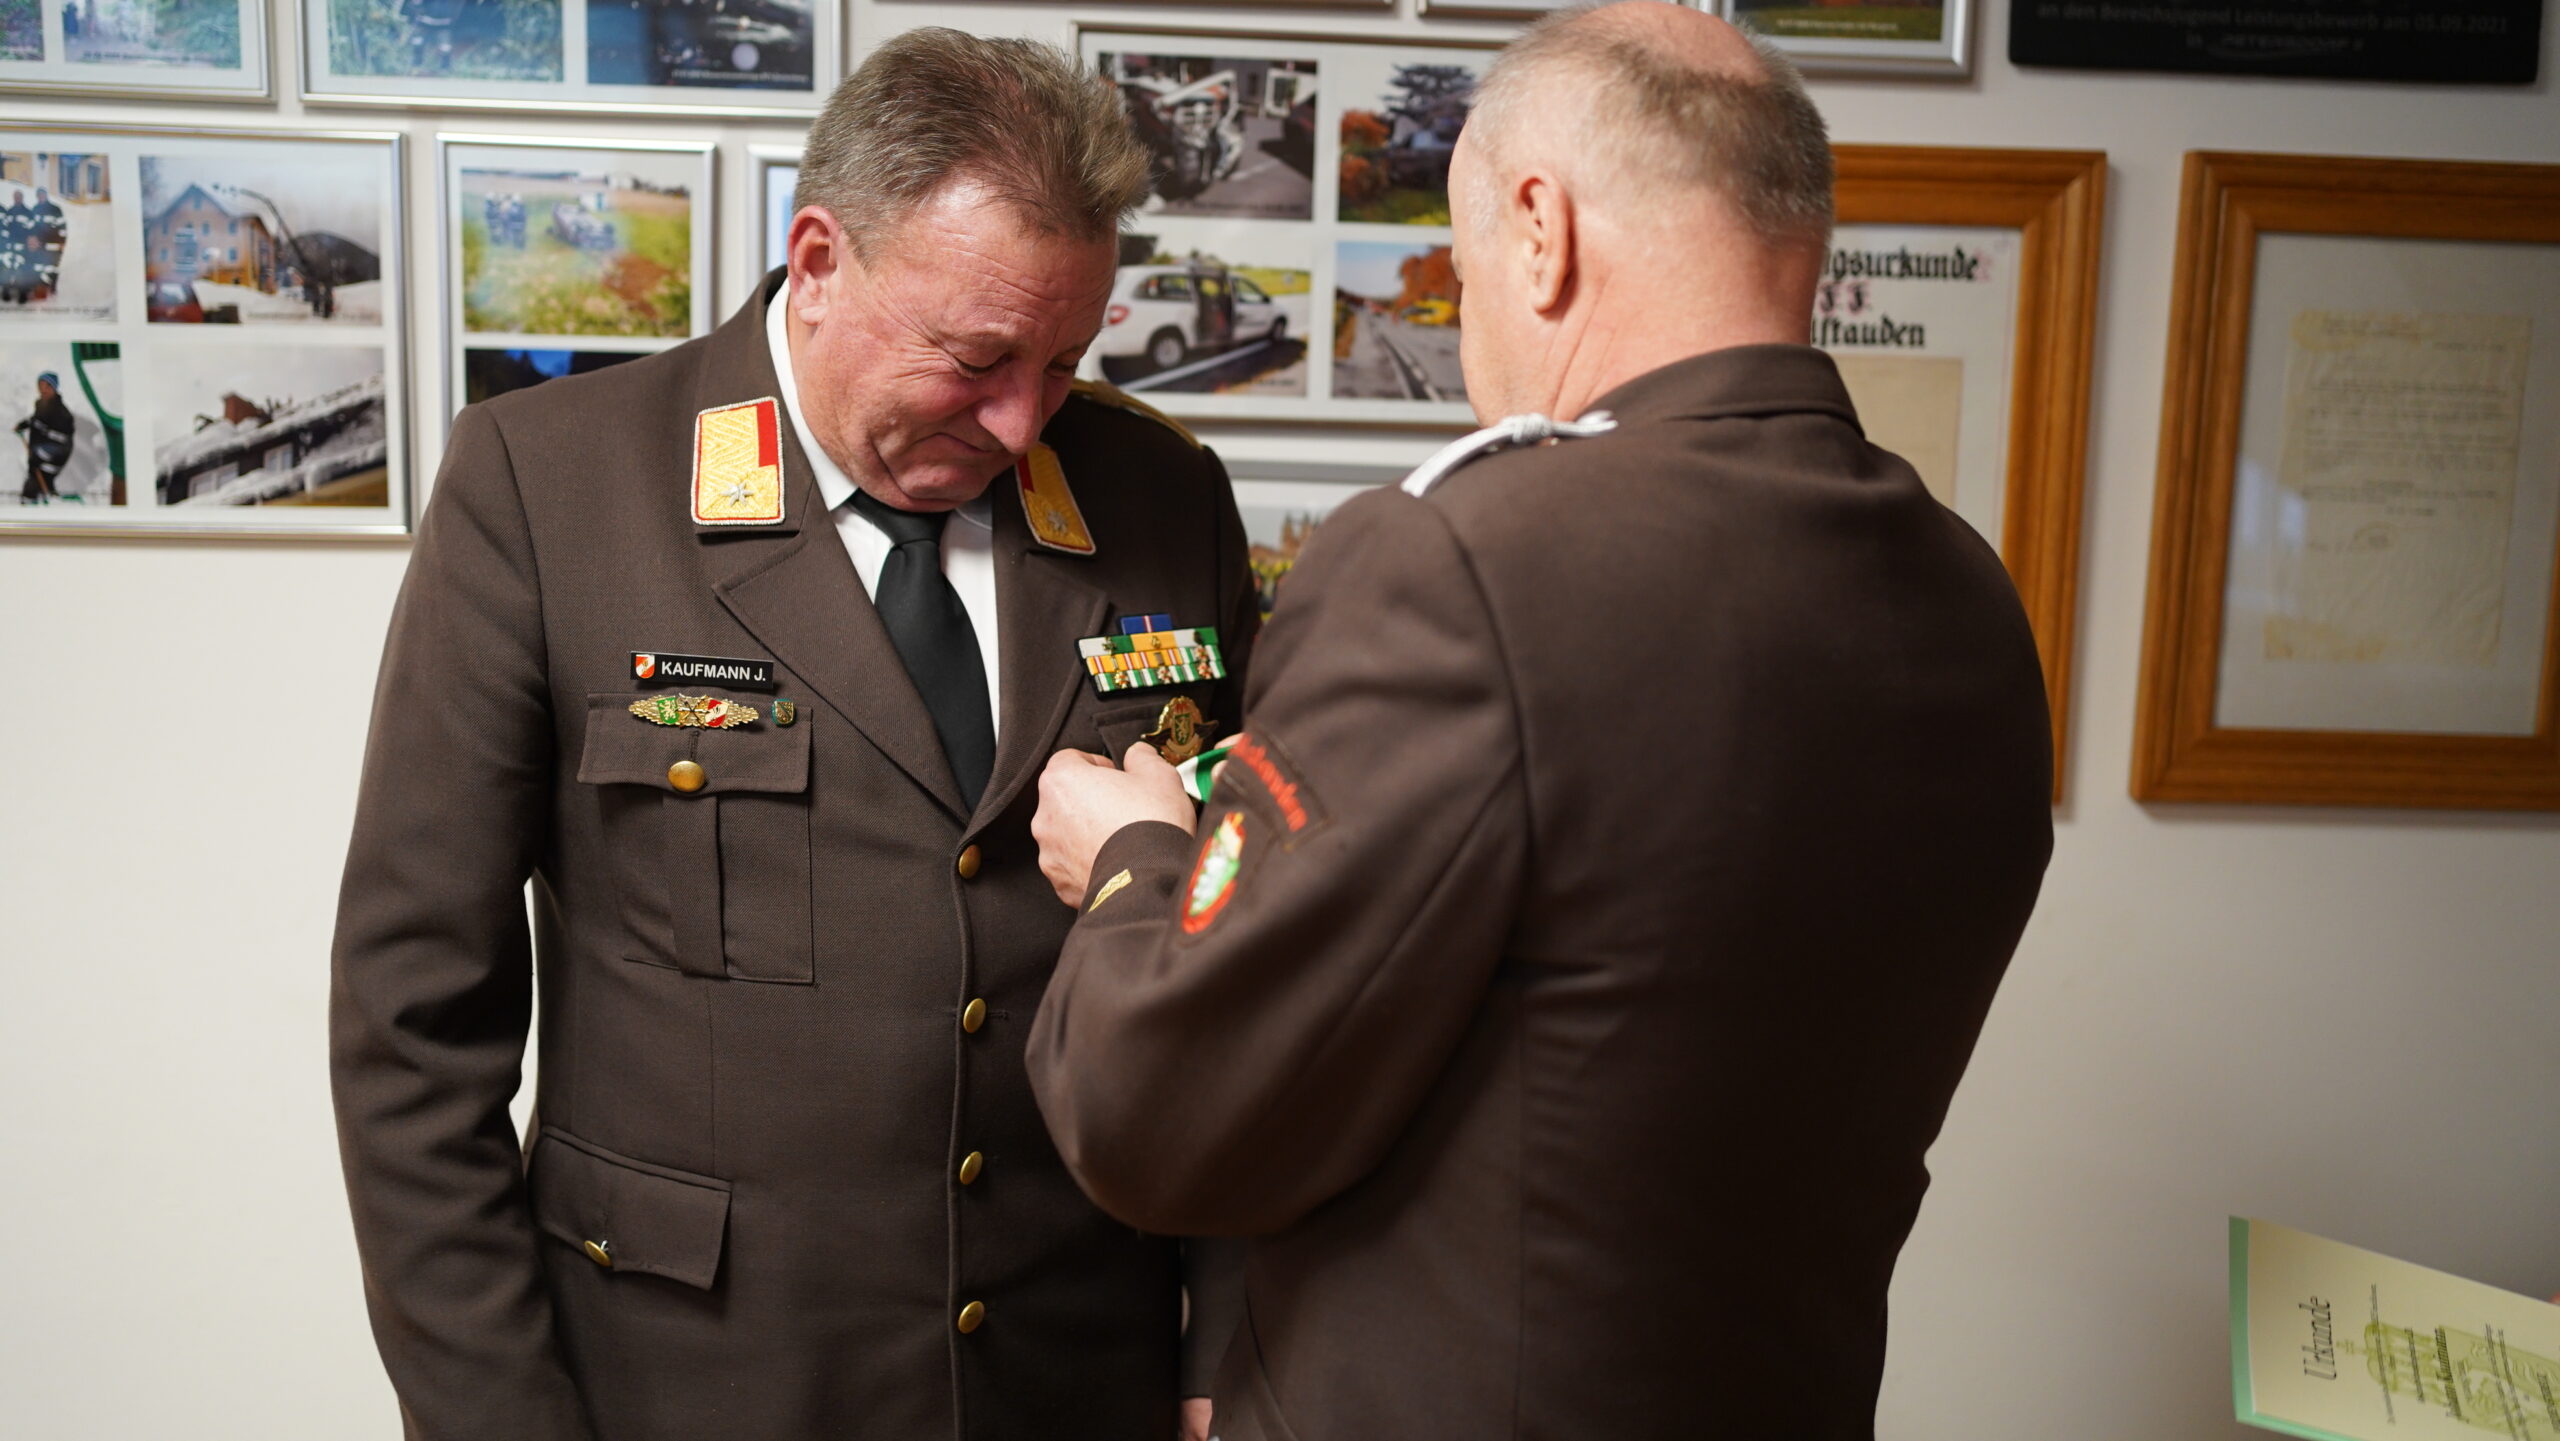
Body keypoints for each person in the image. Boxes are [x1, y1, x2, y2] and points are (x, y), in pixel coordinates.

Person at [1024, 5, 2055, 1439]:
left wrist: (1135, 861)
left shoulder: (1464, 562)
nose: (1465, 330)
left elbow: (1156, 1117)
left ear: (1539, 230)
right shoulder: (1968, 595)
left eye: (1460, 274)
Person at [332, 27, 1259, 1441]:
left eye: (1065, 360)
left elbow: (1247, 952)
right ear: (819, 261)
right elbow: (413, 1024)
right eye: (978, 356)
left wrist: (1227, 1350)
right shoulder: (551, 487)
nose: (1023, 421)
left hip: (1076, 1377)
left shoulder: (1163, 496)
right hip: (689, 1377)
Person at [16, 370, 73, 503]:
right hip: (39, 453)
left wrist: (43, 432)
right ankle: (47, 498)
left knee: (35, 482)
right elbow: (35, 420)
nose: (43, 390)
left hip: (55, 455)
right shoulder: (41, 404)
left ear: (54, 388)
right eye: (40, 386)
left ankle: (31, 504)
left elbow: (63, 437)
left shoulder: (60, 411)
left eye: (47, 386)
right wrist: (24, 424)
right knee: (42, 482)